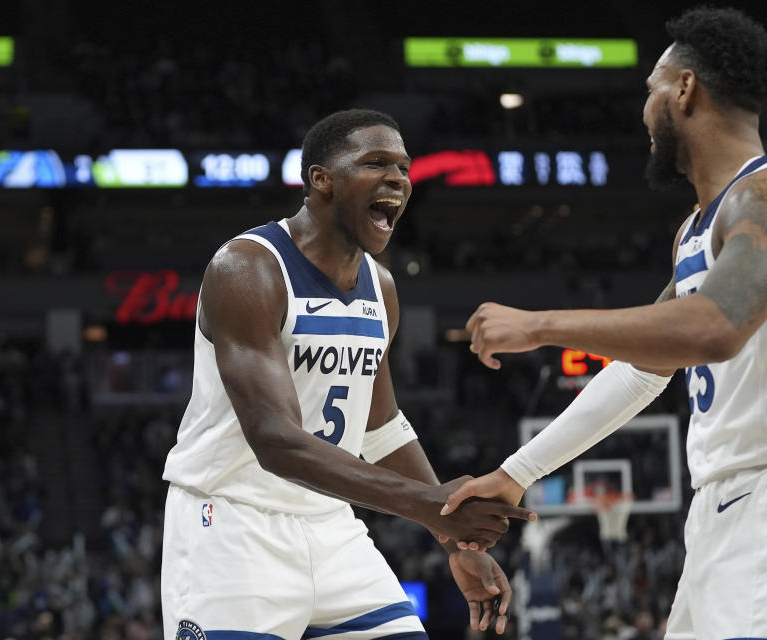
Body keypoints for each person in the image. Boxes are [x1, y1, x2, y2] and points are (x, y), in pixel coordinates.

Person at [441, 7, 767, 639]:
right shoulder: (695, 231)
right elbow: (644, 372)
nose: (645, 112)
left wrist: (540, 326)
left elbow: (715, 328)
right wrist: (516, 473)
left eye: (650, 91)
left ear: (685, 89)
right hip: (723, 507)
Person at [160, 109, 535, 640]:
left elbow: (381, 428)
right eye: (377, 163)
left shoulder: (380, 287)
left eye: (404, 168)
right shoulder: (248, 268)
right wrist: (430, 506)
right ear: (322, 179)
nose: (398, 180)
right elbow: (276, 441)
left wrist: (452, 538)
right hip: (232, 523)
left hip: (330, 527)